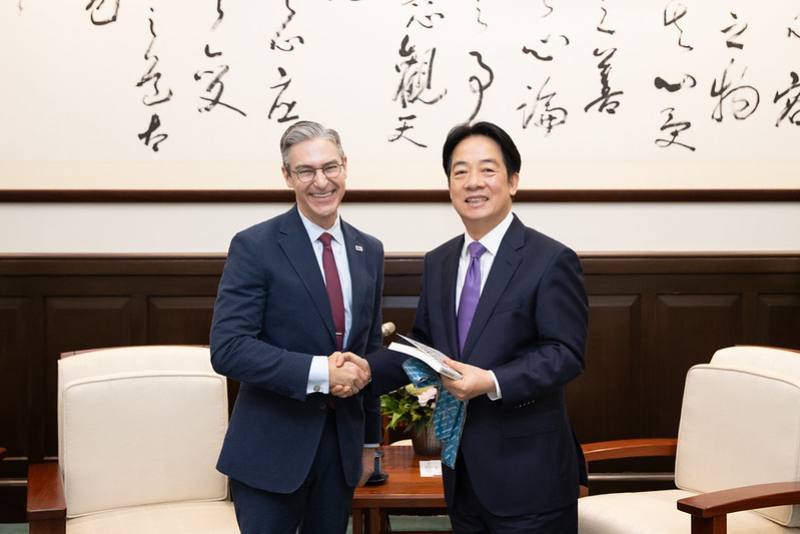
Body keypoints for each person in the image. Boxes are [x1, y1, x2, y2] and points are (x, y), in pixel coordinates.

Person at [365, 121, 588, 533]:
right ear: (449, 186)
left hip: (530, 477)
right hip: (463, 472)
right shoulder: (439, 261)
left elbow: (565, 354)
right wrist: (361, 372)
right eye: (460, 171)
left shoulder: (551, 258)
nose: (473, 182)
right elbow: (427, 348)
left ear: (513, 181)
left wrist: (490, 380)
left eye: (488, 170)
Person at [210, 120, 383, 534]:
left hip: (340, 450)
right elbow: (229, 348)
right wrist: (323, 371)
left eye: (330, 168)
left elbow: (370, 351)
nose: (320, 181)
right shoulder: (255, 246)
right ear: (287, 176)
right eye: (306, 171)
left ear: (345, 167)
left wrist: (369, 444)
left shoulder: (368, 250)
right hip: (271, 452)